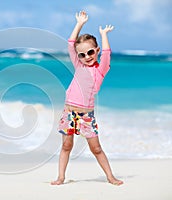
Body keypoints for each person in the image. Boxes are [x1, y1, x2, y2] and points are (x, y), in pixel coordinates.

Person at [51, 11, 123, 186]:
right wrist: (79, 24)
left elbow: (107, 53)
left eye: (90, 52)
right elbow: (70, 45)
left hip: (86, 116)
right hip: (69, 112)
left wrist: (103, 35)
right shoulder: (79, 64)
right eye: (82, 54)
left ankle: (110, 177)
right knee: (66, 146)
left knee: (96, 148)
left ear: (96, 50)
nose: (86, 57)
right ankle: (61, 177)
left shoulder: (101, 70)